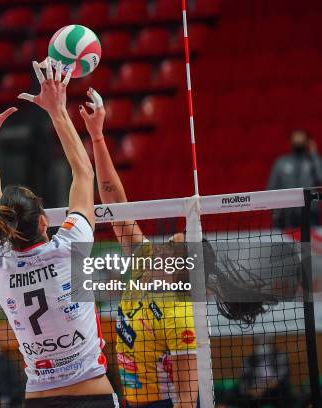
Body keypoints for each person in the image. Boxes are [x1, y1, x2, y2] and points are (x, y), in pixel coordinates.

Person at [81, 88, 292, 407]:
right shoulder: (143, 261)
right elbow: (114, 202)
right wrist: (98, 137)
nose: (163, 245)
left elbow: (185, 399)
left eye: (172, 246)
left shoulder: (181, 316)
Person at [0, 60, 118, 408]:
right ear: (43, 222)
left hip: (39, 399)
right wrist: (58, 110)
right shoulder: (69, 249)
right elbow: (84, 173)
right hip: (92, 395)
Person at [267, 129, 322, 228]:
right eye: (296, 139)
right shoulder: (281, 162)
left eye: (301, 139)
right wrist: (276, 213)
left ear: (307, 142)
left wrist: (314, 154)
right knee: (287, 243)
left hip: (310, 212)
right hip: (287, 215)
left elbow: (320, 178)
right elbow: (272, 188)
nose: (298, 141)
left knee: (311, 243)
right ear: (291, 142)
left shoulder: (314, 161)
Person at [237, 336, 290, 408]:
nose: (263, 345)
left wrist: (262, 389)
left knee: (282, 394)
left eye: (266, 341)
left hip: (272, 390)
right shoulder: (249, 359)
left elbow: (280, 376)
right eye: (259, 342)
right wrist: (250, 390)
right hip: (254, 392)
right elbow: (244, 378)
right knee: (242, 399)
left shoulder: (279, 356)